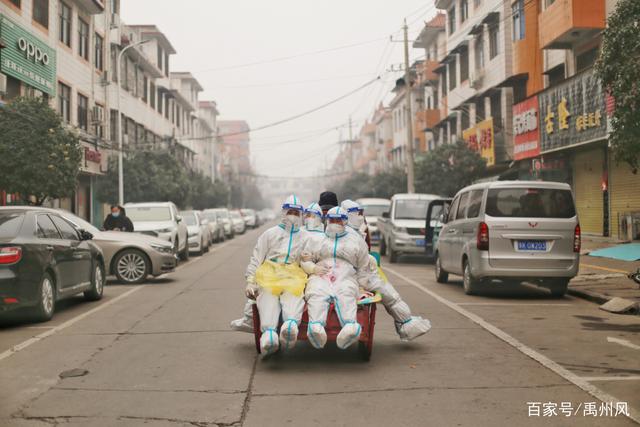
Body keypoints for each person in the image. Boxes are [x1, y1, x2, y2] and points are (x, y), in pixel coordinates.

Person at [340, 199, 432, 341]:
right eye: (357, 213)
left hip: (360, 275)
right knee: (390, 296)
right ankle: (406, 325)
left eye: (361, 213)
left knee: (391, 296)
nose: (360, 217)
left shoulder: (356, 232)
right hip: (355, 277)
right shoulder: (347, 234)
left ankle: (405, 324)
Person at [244, 195, 309, 355]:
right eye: (290, 211)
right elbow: (257, 257)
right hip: (269, 274)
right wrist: (251, 281)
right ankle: (269, 334)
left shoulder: (305, 237)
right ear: (284, 212)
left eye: (296, 212)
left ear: (300, 215)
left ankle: (290, 327)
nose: (293, 215)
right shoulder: (269, 234)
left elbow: (310, 257)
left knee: (294, 296)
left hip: (293, 276)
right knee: (267, 296)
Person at [302, 206, 370, 350]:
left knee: (346, 292)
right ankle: (315, 328)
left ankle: (350, 326)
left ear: (345, 222)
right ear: (326, 221)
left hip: (346, 276)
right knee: (315, 292)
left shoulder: (356, 241)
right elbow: (305, 259)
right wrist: (313, 268)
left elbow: (364, 266)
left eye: (338, 221)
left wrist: (363, 286)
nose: (335, 223)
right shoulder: (316, 239)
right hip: (320, 275)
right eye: (332, 220)